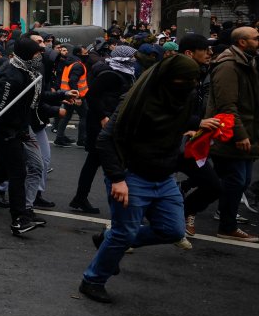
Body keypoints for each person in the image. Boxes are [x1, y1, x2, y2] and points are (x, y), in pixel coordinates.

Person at [79, 55, 214, 302]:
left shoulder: (183, 99)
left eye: (193, 80)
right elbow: (105, 140)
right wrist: (118, 179)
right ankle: (93, 280)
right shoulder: (136, 103)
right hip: (132, 176)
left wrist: (198, 125)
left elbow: (179, 122)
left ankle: (108, 241)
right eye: (184, 80)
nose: (190, 85)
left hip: (163, 177)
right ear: (168, 78)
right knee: (124, 234)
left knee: (173, 230)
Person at [0, 37, 72, 236]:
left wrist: (62, 95)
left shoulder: (28, 72)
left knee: (4, 170)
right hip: (5, 131)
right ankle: (19, 218)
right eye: (36, 54)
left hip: (18, 128)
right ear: (27, 54)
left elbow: (35, 98)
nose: (39, 57)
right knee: (18, 172)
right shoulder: (12, 76)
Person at [206, 25, 259, 241]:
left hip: (246, 130)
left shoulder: (247, 62)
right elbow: (227, 105)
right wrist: (240, 134)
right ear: (242, 42)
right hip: (232, 134)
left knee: (240, 180)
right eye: (256, 38)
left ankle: (227, 221)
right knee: (235, 180)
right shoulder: (229, 66)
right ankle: (227, 225)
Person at [70, 45, 137, 214]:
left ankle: (80, 198)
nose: (134, 61)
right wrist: (103, 117)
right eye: (131, 57)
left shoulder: (124, 73)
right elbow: (91, 96)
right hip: (101, 124)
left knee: (94, 162)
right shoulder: (110, 74)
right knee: (104, 162)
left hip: (108, 122)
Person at [174, 34, 220, 237]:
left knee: (213, 185)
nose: (210, 53)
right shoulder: (175, 76)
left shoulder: (202, 73)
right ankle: (121, 231)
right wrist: (196, 123)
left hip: (190, 140)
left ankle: (185, 212)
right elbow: (171, 110)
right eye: (205, 49)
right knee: (145, 189)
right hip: (168, 143)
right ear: (189, 53)